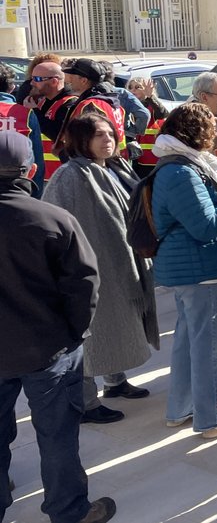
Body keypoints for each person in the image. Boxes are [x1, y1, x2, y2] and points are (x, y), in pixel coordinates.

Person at [0, 130, 117, 523]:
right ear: (30, 170)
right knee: (57, 435)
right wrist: (74, 335)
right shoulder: (52, 218)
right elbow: (84, 286)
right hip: (49, 349)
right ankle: (69, 511)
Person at [43, 115, 157, 425]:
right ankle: (85, 403)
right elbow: (56, 228)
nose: (108, 140)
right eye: (99, 135)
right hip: (87, 272)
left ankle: (115, 382)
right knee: (92, 335)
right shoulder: (70, 176)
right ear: (81, 140)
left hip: (117, 264)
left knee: (116, 325)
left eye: (111, 134)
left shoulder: (112, 168)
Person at [151, 103, 217, 439]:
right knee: (213, 344)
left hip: (192, 268)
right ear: (198, 133)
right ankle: (214, 417)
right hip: (200, 269)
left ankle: (181, 407)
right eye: (211, 128)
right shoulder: (181, 171)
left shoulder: (178, 166)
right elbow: (206, 225)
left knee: (188, 340)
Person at [27, 61, 77, 183]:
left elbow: (58, 133)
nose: (32, 83)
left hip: (62, 174)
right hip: (43, 173)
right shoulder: (43, 101)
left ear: (54, 81)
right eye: (32, 78)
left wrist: (34, 112)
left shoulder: (70, 104)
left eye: (37, 79)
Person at [0, 81, 46, 196]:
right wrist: (36, 195)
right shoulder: (26, 114)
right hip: (16, 186)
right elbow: (36, 157)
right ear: (11, 88)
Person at [125, 75, 169, 176]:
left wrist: (150, 97)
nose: (132, 90)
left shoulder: (151, 107)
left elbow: (163, 114)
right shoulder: (126, 106)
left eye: (137, 87)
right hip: (133, 158)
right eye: (130, 87)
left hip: (150, 160)